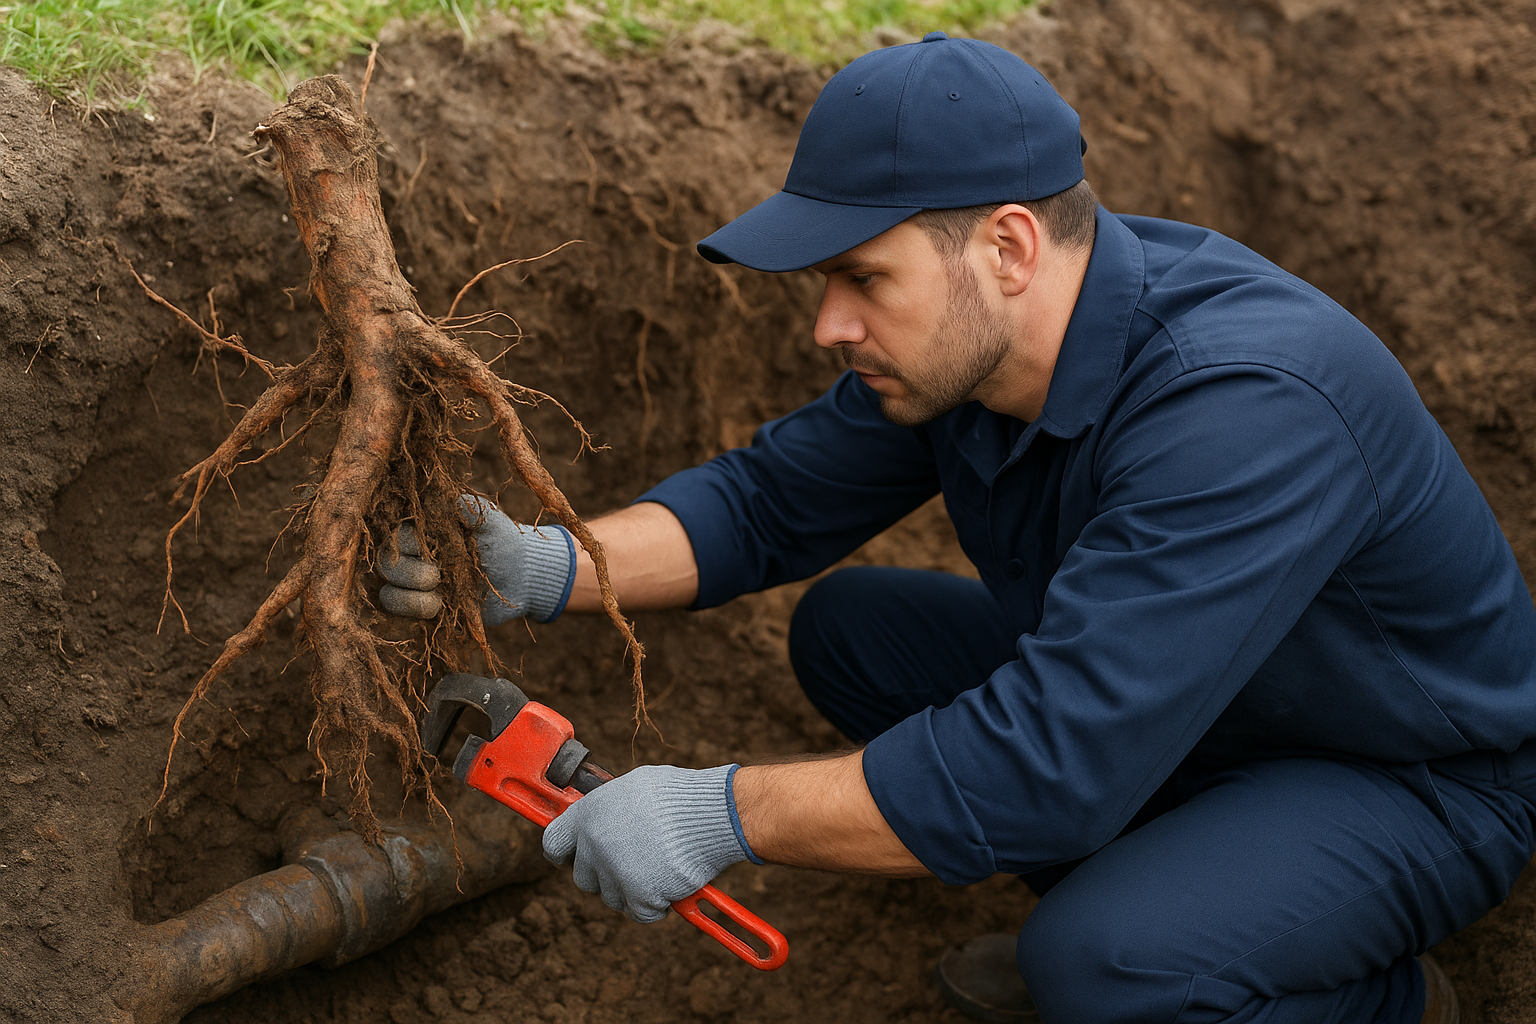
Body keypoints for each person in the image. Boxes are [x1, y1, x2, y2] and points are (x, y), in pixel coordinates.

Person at [381, 33, 1536, 1024]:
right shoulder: (972, 350)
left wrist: (719, 810)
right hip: (1202, 714)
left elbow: (1048, 760)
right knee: (852, 632)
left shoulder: (1247, 408)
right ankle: (1184, 897)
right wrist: (544, 566)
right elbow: (767, 502)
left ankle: (1366, 992)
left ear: (1009, 247)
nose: (830, 323)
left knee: (1101, 963)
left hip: (1406, 775)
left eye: (862, 278)